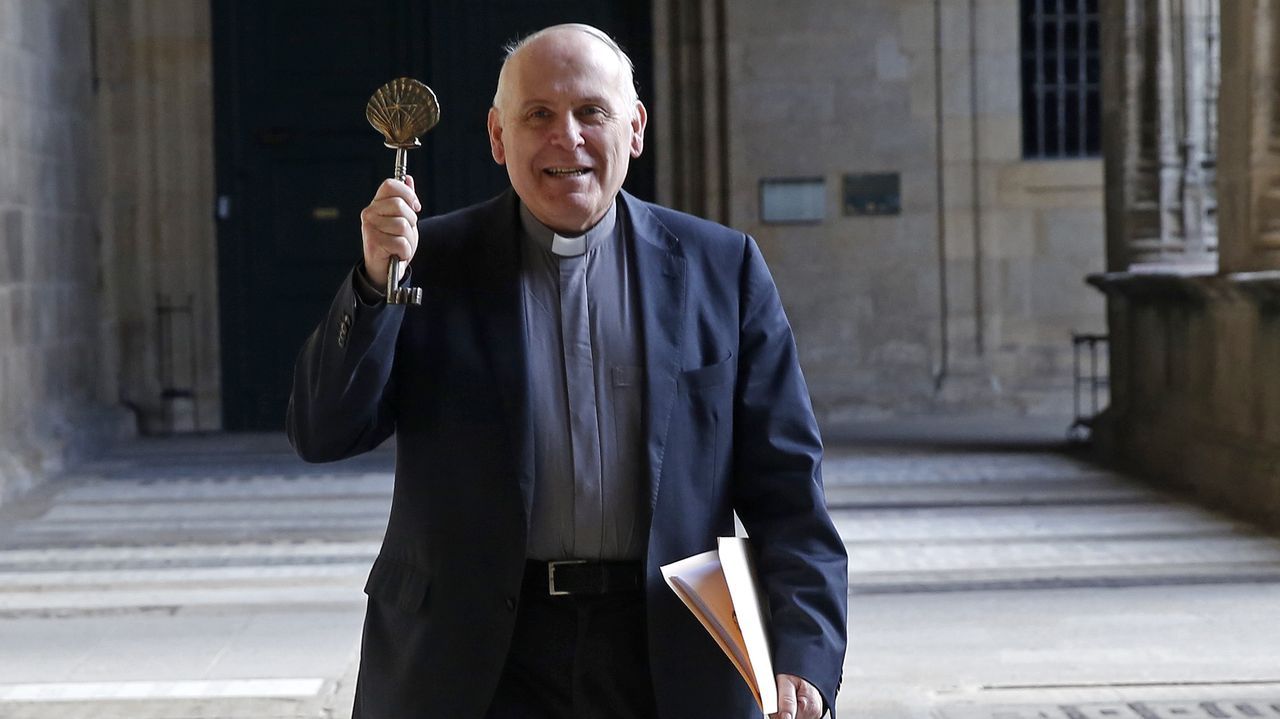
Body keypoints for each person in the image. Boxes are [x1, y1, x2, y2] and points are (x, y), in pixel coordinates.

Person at [288, 23, 847, 719]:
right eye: (539, 115)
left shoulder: (721, 269)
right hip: (471, 659)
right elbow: (323, 429)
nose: (568, 138)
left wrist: (804, 649)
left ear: (635, 128)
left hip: (669, 649)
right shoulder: (428, 262)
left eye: (592, 112)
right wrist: (374, 283)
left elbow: (788, 486)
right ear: (498, 138)